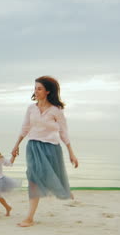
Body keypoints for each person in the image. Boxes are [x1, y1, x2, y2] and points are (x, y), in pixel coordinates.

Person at [11, 76, 79, 227]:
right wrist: (16, 146)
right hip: (33, 147)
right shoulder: (31, 108)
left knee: (51, 175)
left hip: (51, 148)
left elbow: (64, 133)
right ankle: (30, 217)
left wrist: (71, 153)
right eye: (35, 88)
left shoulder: (56, 110)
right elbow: (25, 128)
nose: (36, 91)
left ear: (48, 91)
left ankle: (63, 190)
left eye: (39, 88)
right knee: (33, 178)